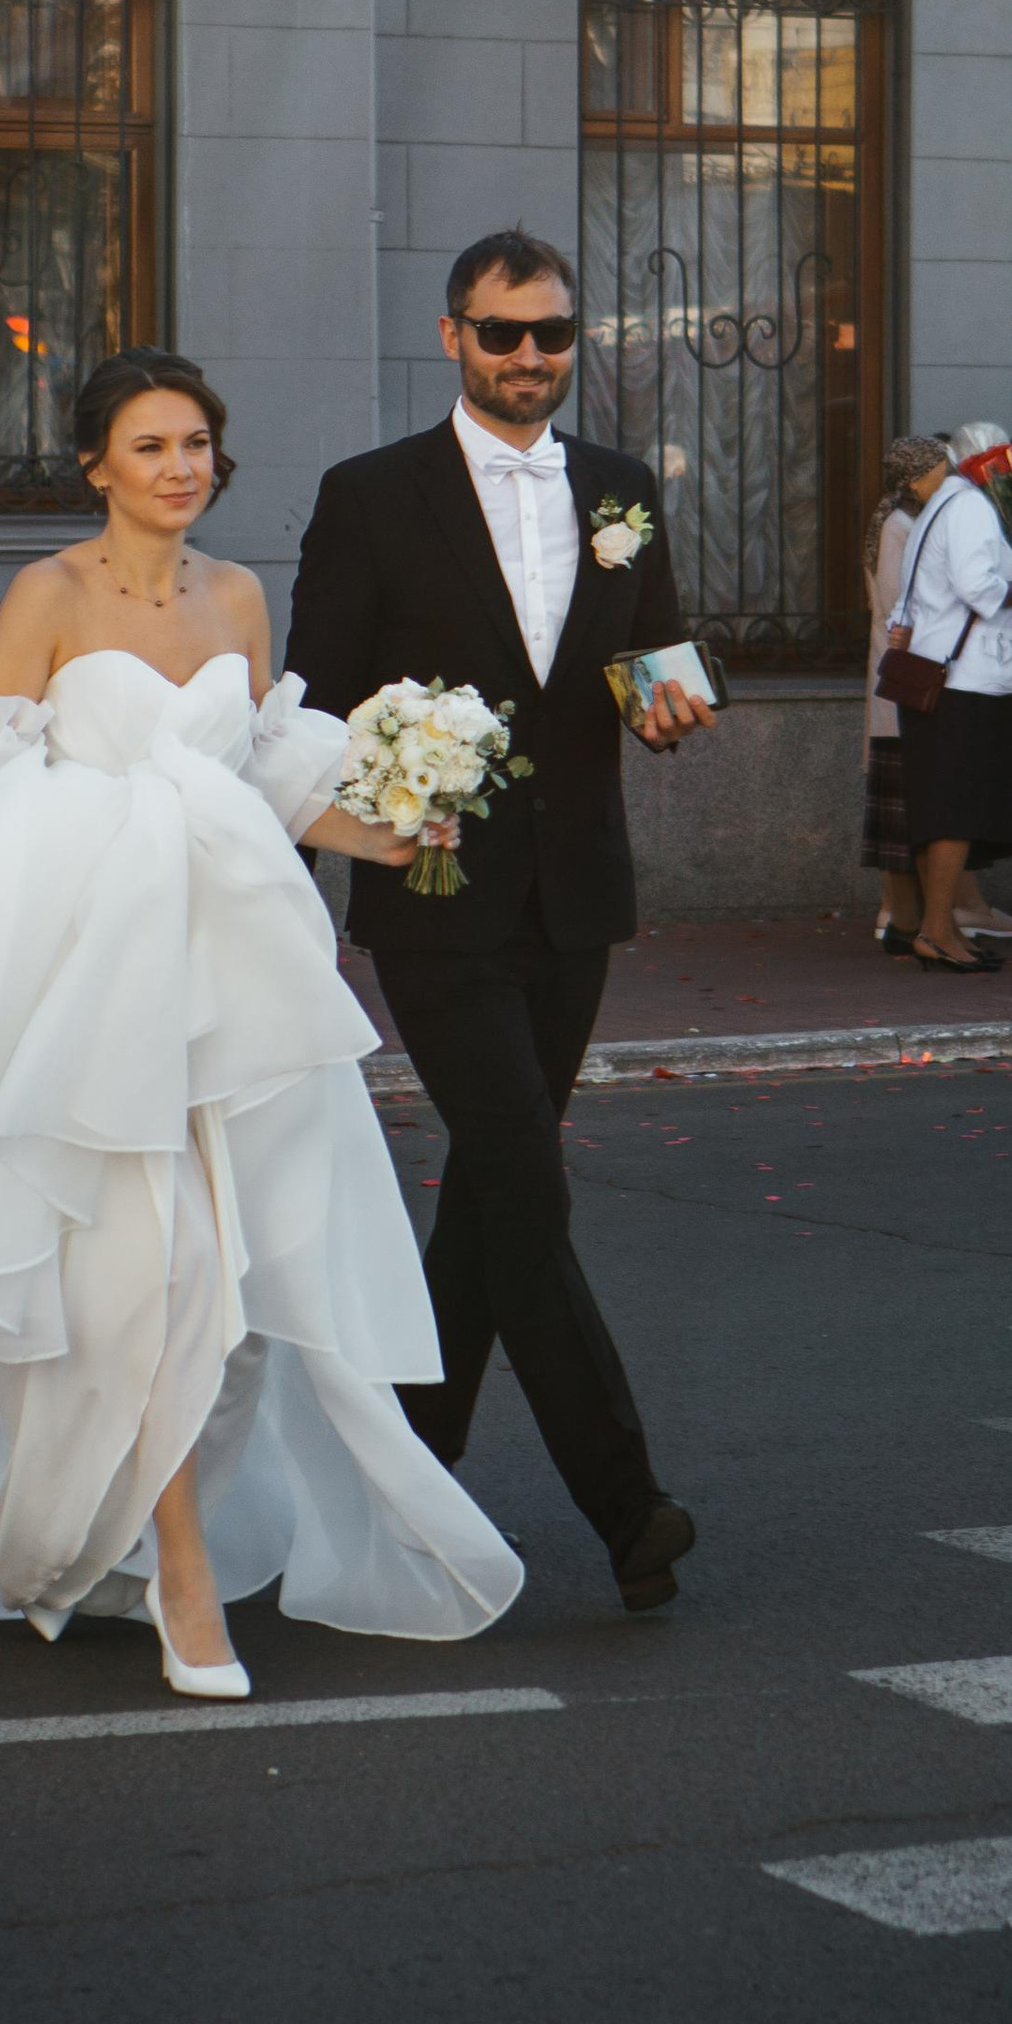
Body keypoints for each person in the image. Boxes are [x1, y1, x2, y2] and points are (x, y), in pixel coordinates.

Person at [0, 349, 521, 1701]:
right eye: (151, 446)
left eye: (199, 443)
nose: (180, 468)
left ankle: (129, 1546)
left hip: (230, 987)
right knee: (135, 1285)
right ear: (96, 463)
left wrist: (398, 832)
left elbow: (263, 782)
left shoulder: (241, 596)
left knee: (229, 1292)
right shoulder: (47, 593)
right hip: (93, 988)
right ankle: (184, 1578)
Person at [286, 227, 712, 1618]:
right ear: (452, 335)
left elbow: (652, 645)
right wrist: (393, 784)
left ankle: (404, 1466)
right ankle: (626, 1502)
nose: (530, 358)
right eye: (501, 333)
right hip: (433, 892)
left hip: (577, 887)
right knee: (525, 1177)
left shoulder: (623, 491)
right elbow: (316, 698)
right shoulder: (370, 496)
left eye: (552, 336)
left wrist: (666, 700)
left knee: (489, 1190)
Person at [881, 431, 1012, 976]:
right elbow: (979, 587)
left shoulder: (927, 513)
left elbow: (903, 609)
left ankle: (942, 927)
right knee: (956, 809)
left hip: (929, 677)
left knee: (936, 807)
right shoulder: (967, 503)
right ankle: (935, 930)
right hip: (967, 681)